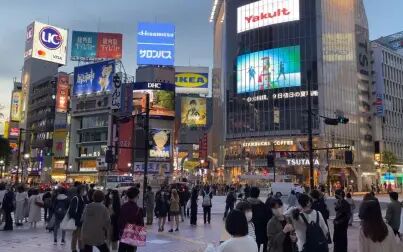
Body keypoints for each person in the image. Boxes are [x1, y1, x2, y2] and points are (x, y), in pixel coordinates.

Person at [118, 187, 144, 252]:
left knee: (122, 249)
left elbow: (119, 221)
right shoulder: (138, 209)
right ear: (136, 196)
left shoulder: (122, 207)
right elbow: (140, 225)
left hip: (122, 233)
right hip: (132, 234)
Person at [247, 186, 270, 252]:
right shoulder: (262, 205)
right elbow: (266, 219)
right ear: (258, 194)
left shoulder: (244, 204)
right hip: (260, 233)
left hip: (247, 233)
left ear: (249, 193)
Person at [70, 185, 88, 252]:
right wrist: (77, 217)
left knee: (80, 235)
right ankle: (74, 249)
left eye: (85, 190)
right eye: (83, 190)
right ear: (80, 190)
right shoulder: (76, 198)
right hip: (77, 220)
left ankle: (80, 248)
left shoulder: (84, 198)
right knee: (76, 236)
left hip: (82, 220)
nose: (84, 191)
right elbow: (72, 210)